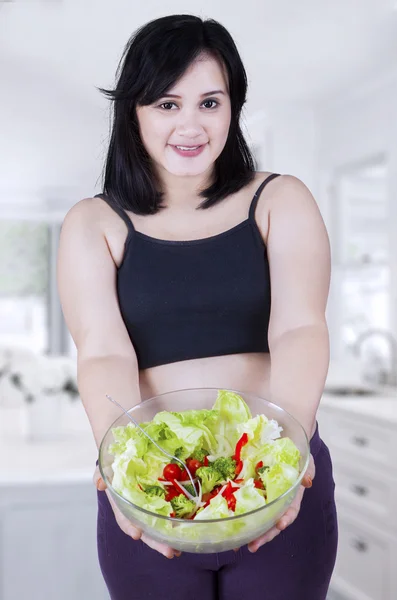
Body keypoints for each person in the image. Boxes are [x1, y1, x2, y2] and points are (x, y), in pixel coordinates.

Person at [57, 14, 337, 600]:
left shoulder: (279, 199)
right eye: (166, 104)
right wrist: (123, 467)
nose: (191, 124)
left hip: (274, 470)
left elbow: (300, 328)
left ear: (232, 108)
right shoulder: (94, 223)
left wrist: (287, 455)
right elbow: (104, 351)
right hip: (158, 486)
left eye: (210, 102)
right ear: (132, 111)